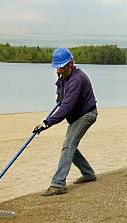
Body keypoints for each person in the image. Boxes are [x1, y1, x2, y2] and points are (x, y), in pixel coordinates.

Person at [33, 47, 98, 196]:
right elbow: (61, 97)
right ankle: (88, 174)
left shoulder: (77, 79)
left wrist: (47, 123)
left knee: (68, 145)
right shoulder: (64, 76)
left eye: (62, 67)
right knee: (70, 146)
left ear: (70, 64)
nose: (59, 70)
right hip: (76, 116)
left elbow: (66, 108)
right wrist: (59, 91)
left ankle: (58, 184)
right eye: (58, 68)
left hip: (87, 114)